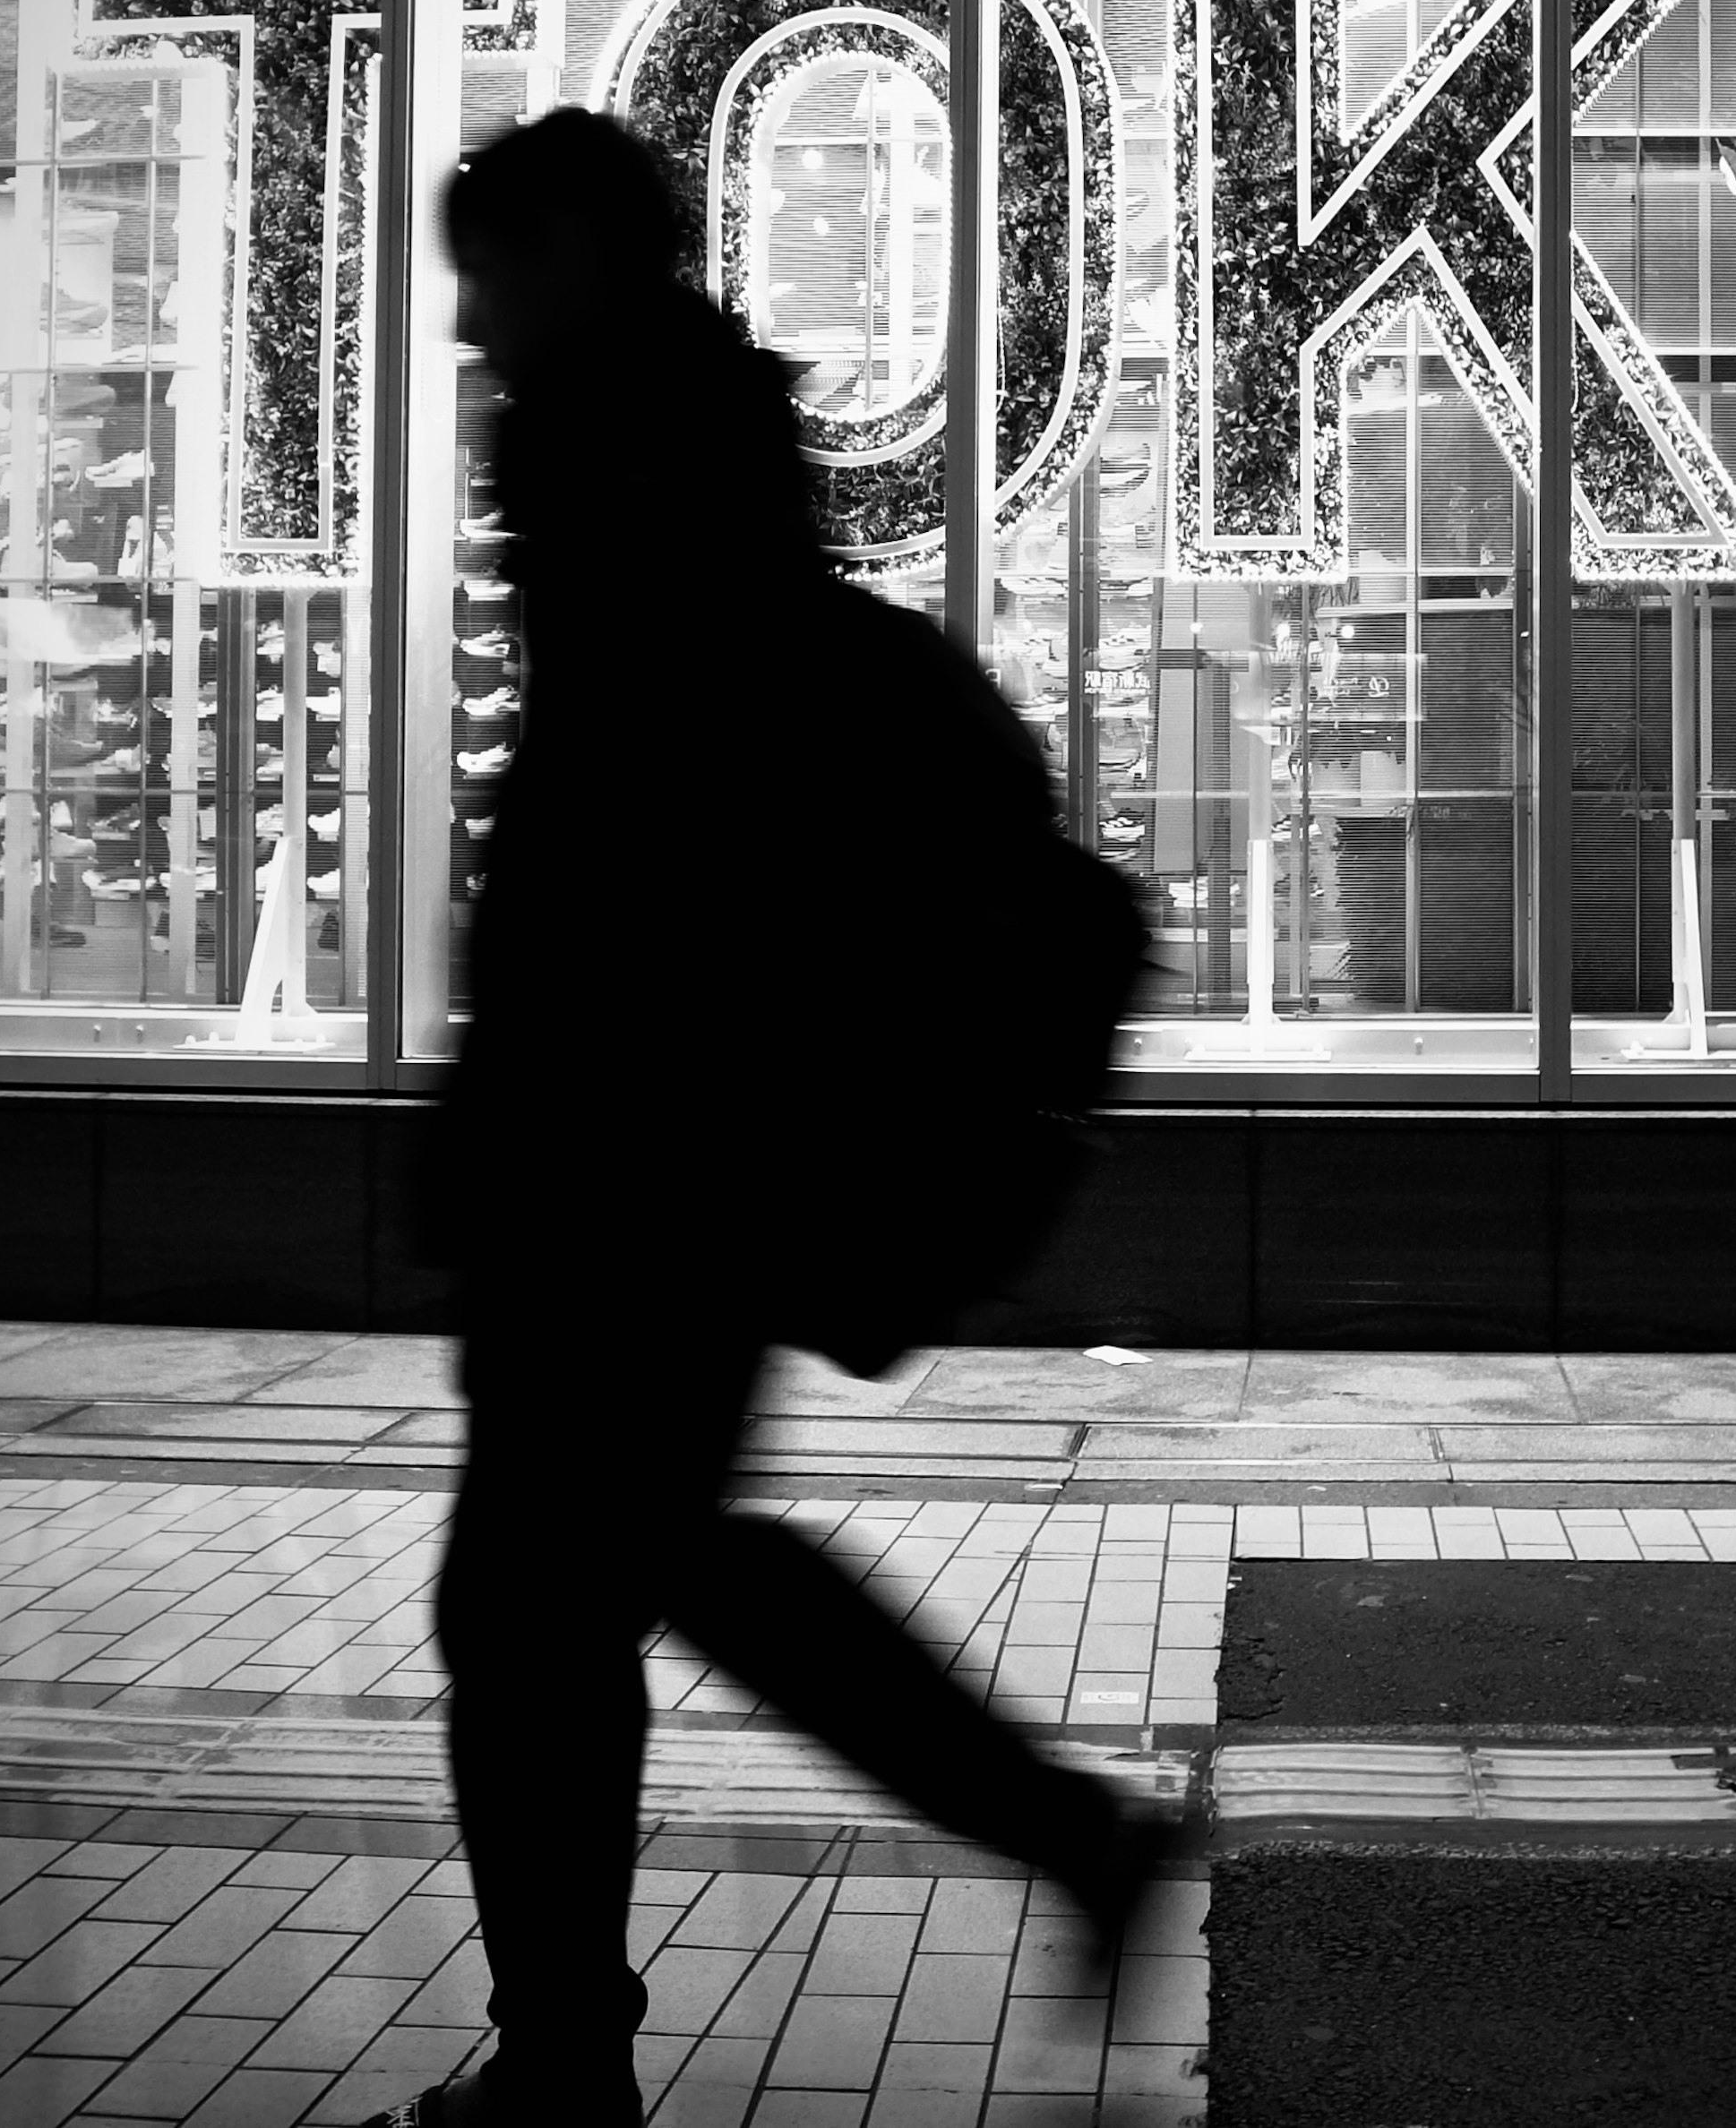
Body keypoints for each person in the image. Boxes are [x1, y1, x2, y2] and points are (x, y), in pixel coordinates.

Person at [350, 109, 1161, 2128]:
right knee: (611, 1573)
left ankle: (578, 2060)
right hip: (668, 1146)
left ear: (575, 256)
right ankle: (1032, 1836)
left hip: (634, 1149)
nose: (467, 315)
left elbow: (623, 853)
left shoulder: (627, 473)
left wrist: (516, 1102)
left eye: (490, 266)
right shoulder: (666, 461)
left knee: (547, 1595)